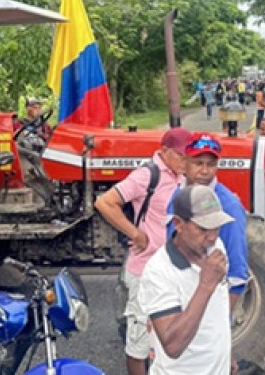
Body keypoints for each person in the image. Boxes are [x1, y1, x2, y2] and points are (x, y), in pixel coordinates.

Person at [93, 127, 190, 375]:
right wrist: (136, 234)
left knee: (169, 337)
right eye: (181, 155)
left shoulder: (180, 175)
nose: (185, 160)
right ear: (165, 151)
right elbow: (105, 202)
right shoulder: (147, 175)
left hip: (173, 269)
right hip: (145, 271)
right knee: (139, 341)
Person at [139, 184, 236, 374]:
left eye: (216, 227)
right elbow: (173, 345)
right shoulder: (159, 271)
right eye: (203, 229)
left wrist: (227, 353)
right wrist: (206, 285)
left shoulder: (217, 247)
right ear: (178, 224)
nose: (212, 237)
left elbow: (218, 311)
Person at [168, 133, 249, 308]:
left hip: (209, 300)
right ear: (184, 163)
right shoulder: (177, 195)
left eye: (211, 165)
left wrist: (220, 318)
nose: (205, 171)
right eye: (198, 163)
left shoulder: (228, 206)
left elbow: (237, 272)